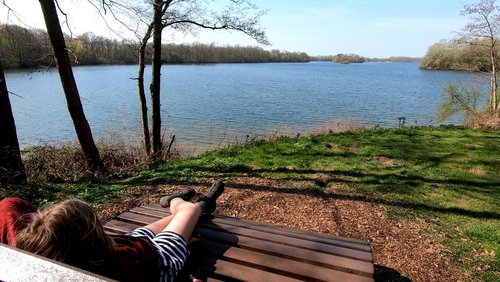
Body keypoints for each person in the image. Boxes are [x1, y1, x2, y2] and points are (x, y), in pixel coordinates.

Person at [0, 180, 225, 282]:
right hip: (158, 260)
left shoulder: (42, 263)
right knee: (186, 212)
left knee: (178, 220)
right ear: (97, 243)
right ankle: (191, 204)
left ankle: (190, 206)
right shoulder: (117, 266)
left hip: (130, 247)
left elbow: (7, 207)